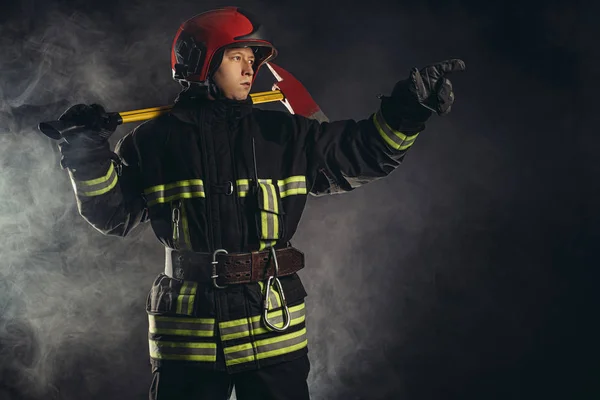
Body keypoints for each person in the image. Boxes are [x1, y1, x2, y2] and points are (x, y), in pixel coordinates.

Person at [55, 6, 464, 400]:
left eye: (252, 58)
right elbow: (111, 213)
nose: (250, 68)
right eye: (236, 57)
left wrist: (409, 108)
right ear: (200, 64)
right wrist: (86, 149)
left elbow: (364, 153)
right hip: (188, 342)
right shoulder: (152, 143)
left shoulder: (286, 134)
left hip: (272, 332)